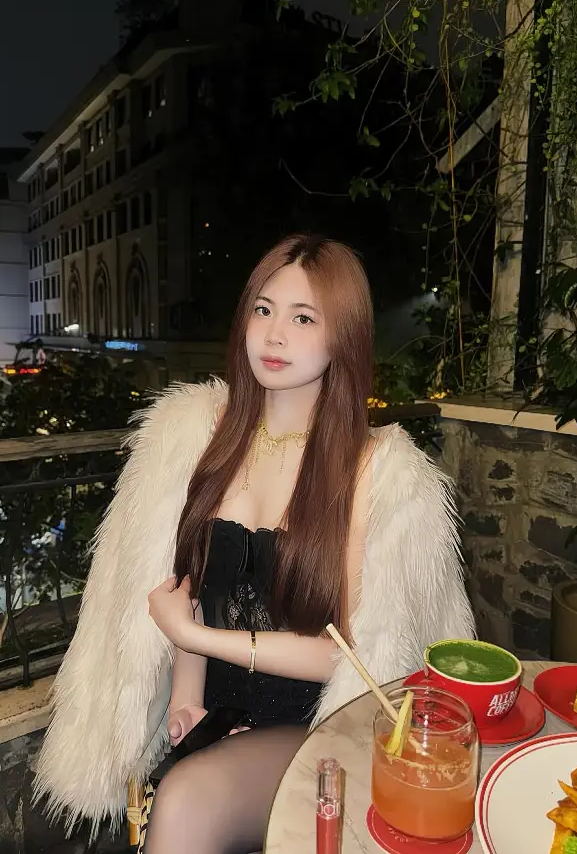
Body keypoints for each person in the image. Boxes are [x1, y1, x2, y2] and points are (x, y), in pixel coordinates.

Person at [33, 234, 475, 853]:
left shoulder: (372, 471)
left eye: (303, 318)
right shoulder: (201, 435)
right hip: (214, 709)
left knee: (186, 804)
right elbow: (189, 579)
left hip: (316, 723)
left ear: (343, 336)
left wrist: (197, 638)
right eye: (263, 310)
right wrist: (186, 698)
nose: (274, 334)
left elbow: (350, 657)